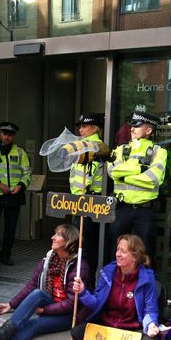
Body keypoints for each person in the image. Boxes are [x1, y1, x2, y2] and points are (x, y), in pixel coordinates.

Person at [71, 234, 160, 340]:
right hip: (107, 325)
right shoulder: (108, 273)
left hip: (131, 330)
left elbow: (150, 309)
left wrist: (151, 325)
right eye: (117, 250)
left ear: (135, 256)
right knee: (76, 332)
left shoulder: (147, 279)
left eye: (122, 251)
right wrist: (83, 292)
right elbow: (96, 302)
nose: (117, 254)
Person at [107, 110, 167, 265]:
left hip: (145, 210)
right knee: (116, 251)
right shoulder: (120, 149)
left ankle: (144, 286)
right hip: (122, 208)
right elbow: (113, 171)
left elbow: (154, 179)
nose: (132, 129)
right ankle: (114, 285)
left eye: (137, 126)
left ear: (148, 130)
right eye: (131, 125)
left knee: (145, 253)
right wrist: (140, 169)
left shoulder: (159, 152)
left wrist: (125, 176)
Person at [70, 112, 106, 274]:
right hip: (85, 199)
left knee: (84, 245)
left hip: (86, 199)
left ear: (95, 128)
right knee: (85, 244)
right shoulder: (86, 145)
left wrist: (78, 198)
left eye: (84, 126)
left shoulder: (92, 147)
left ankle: (84, 282)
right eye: (80, 126)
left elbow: (87, 176)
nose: (81, 130)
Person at [0, 121, 31, 266]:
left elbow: (27, 172)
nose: (7, 137)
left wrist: (21, 185)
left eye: (10, 134)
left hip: (14, 195)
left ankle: (5, 255)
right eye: (4, 134)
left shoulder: (20, 152)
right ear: (0, 134)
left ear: (13, 136)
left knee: (10, 228)